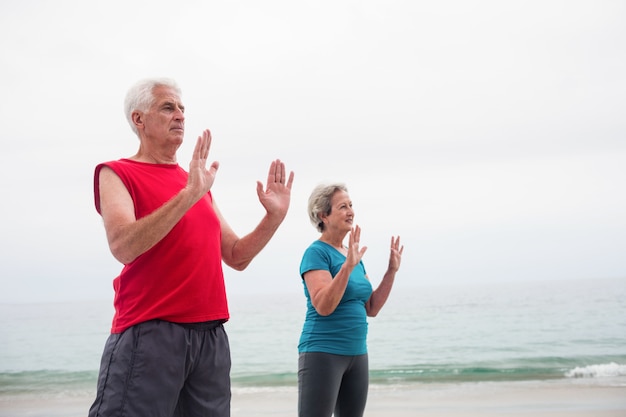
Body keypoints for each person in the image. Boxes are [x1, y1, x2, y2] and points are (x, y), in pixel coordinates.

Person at [88, 77, 294, 417]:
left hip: (210, 336)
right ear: (139, 119)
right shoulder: (117, 173)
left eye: (182, 109)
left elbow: (237, 256)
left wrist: (273, 218)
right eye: (168, 107)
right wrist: (188, 195)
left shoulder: (197, 184)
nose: (180, 115)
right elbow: (123, 245)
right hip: (151, 332)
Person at [297, 183, 403, 417]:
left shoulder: (351, 255)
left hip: (357, 354)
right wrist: (347, 267)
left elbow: (371, 308)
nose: (350, 211)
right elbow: (323, 306)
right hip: (323, 353)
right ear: (323, 215)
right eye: (342, 206)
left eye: (351, 205)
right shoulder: (316, 253)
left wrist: (391, 271)